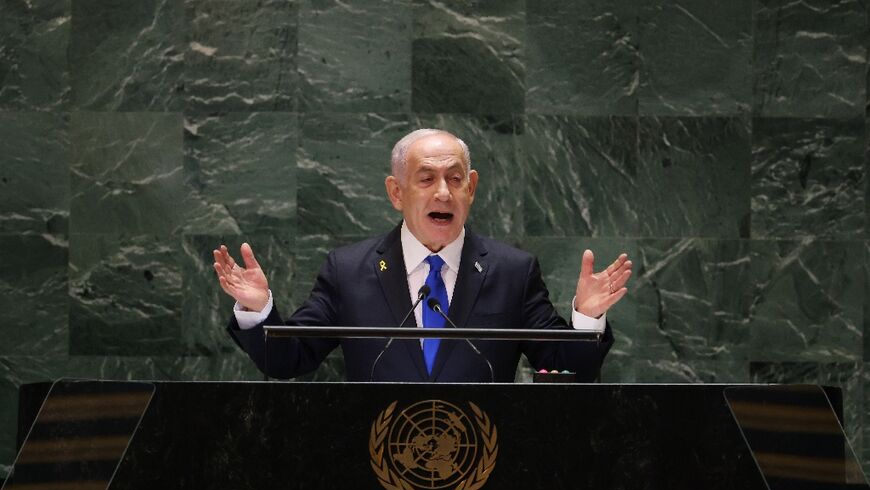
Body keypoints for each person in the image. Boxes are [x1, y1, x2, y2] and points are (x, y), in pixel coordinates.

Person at [213, 129, 632, 382]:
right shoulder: (349, 271)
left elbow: (566, 368)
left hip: (481, 470)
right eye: (426, 178)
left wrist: (586, 319)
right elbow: (288, 360)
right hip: (376, 469)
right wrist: (257, 311)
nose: (444, 192)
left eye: (454, 179)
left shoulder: (512, 271)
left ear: (471, 188)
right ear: (396, 192)